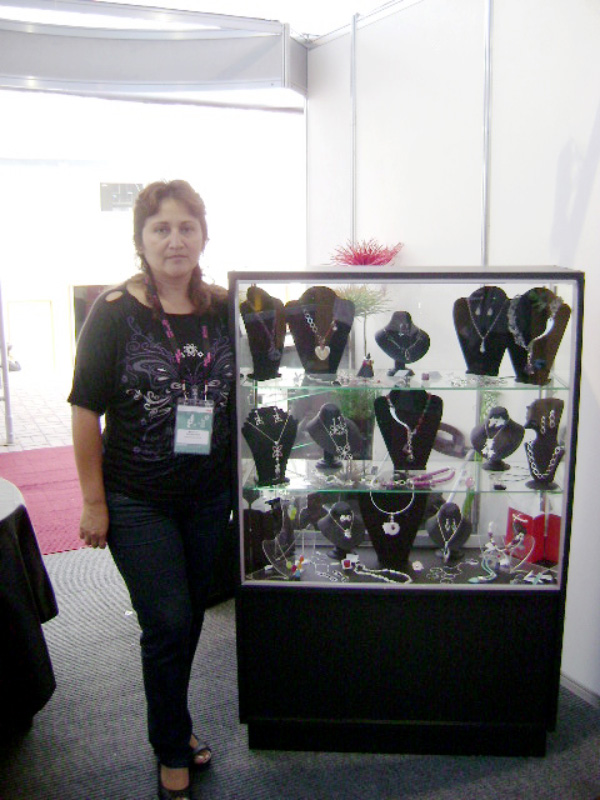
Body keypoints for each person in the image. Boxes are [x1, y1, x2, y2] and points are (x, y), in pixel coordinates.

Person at [68, 180, 234, 800]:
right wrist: (93, 501)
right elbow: (85, 409)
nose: (175, 240)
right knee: (166, 620)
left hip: (208, 495)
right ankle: (170, 745)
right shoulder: (114, 311)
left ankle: (176, 722)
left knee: (187, 620)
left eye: (186, 227)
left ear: (204, 235)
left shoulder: (223, 308)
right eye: (161, 228)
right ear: (141, 238)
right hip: (137, 497)